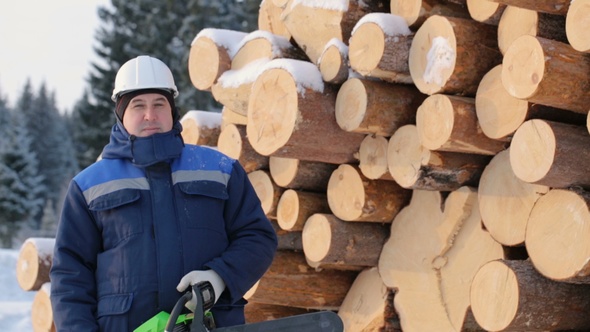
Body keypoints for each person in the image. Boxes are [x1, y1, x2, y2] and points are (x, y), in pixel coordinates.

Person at [49, 55, 278, 331]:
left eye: (159, 104)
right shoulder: (88, 186)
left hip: (210, 325)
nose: (150, 115)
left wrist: (220, 277)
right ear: (121, 113)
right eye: (138, 105)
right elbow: (70, 276)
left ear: (172, 110)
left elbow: (258, 237)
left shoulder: (221, 170)